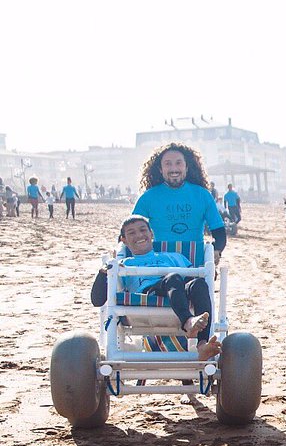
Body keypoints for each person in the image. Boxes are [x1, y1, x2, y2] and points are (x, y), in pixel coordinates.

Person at [90, 215, 220, 360]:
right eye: (131, 232)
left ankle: (203, 345)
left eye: (143, 230)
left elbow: (192, 281)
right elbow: (97, 300)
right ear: (124, 240)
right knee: (173, 278)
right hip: (149, 294)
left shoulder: (174, 257)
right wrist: (104, 272)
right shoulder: (124, 264)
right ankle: (188, 322)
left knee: (199, 284)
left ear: (151, 234)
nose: (139, 235)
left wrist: (210, 273)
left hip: (178, 295)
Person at [132, 143, 227, 258]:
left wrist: (217, 250)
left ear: (186, 167)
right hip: (159, 264)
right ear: (160, 169)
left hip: (195, 264)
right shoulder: (147, 198)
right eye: (168, 164)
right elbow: (130, 230)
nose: (173, 169)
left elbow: (219, 232)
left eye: (178, 163)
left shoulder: (202, 195)